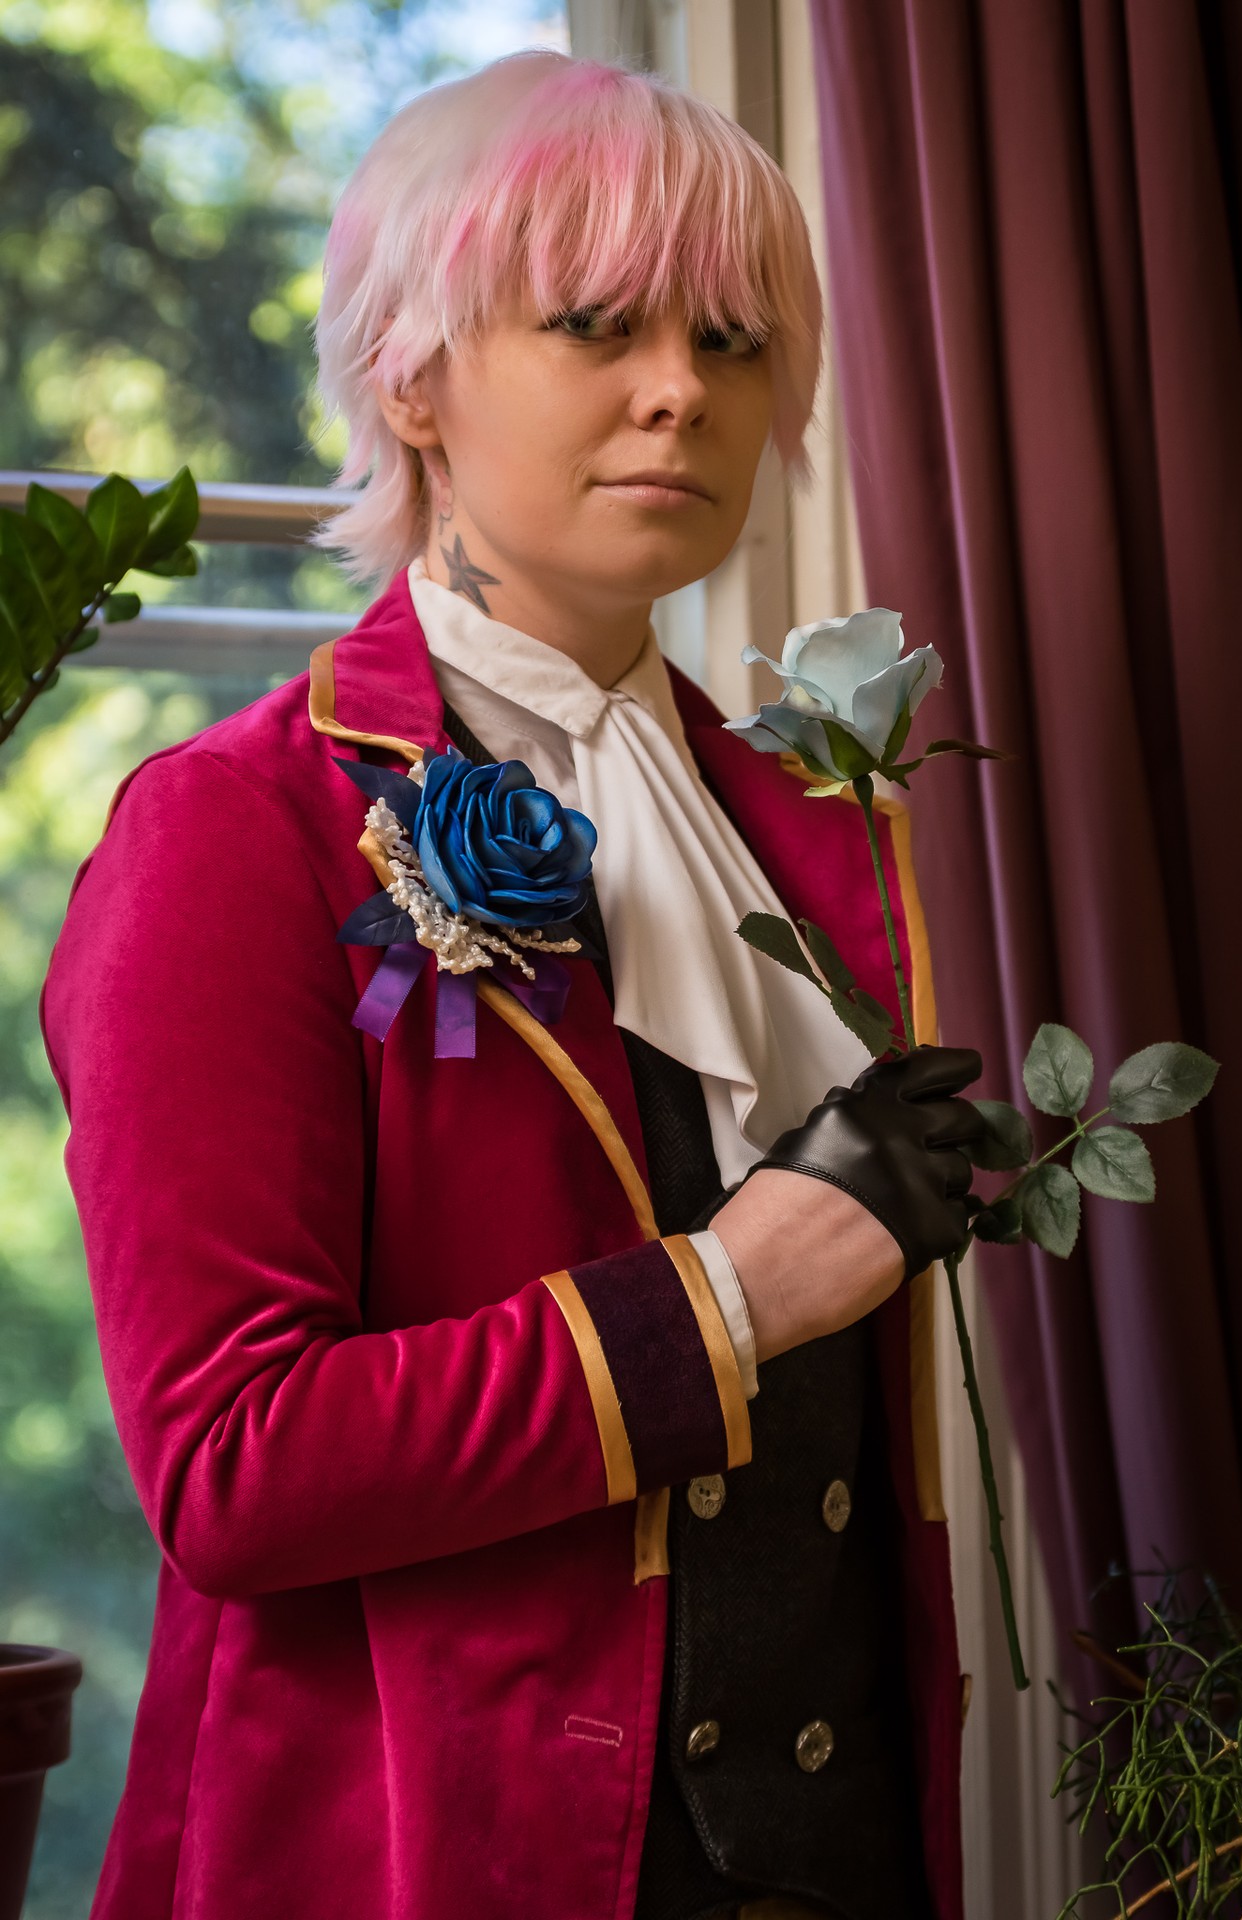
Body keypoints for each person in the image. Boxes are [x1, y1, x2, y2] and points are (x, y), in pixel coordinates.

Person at [42, 50, 983, 1920]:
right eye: (595, 323)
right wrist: (726, 1300)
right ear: (410, 376)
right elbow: (235, 1470)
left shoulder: (826, 833)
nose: (680, 390)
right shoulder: (231, 832)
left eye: (730, 340)